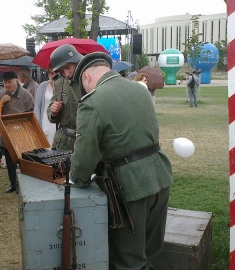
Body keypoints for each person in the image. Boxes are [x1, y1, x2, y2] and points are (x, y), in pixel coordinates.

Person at [70, 52, 173, 269]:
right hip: (160, 177)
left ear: (86, 77)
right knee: (149, 251)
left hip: (130, 187)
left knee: (128, 261)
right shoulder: (140, 90)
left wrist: (77, 180)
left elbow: (85, 156)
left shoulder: (92, 102)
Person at [0, 71, 34, 193]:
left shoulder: (26, 95)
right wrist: (0, 103)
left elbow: (32, 113)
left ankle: (24, 184)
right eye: (5, 82)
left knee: (23, 160)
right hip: (6, 134)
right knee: (9, 160)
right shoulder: (1, 94)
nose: (7, 85)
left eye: (9, 82)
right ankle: (13, 183)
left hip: (21, 133)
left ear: (16, 81)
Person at [47, 44, 84, 151]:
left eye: (68, 67)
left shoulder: (88, 80)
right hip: (63, 141)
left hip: (83, 141)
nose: (66, 74)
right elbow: (50, 112)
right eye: (62, 71)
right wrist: (53, 111)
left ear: (77, 62)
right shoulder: (59, 82)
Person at [34, 65, 57, 145]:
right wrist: (37, 125)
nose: (54, 75)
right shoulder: (43, 86)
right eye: (51, 73)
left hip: (58, 123)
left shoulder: (64, 86)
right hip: (45, 123)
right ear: (48, 74)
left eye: (56, 72)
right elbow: (37, 106)